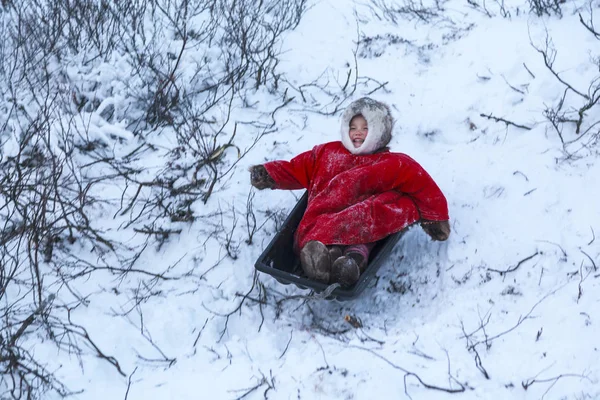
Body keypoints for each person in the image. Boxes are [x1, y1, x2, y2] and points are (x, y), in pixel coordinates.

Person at [250, 97, 450, 287]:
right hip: (323, 221)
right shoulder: (328, 153)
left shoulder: (393, 163)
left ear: (379, 133)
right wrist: (270, 174)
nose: (357, 133)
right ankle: (321, 260)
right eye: (352, 127)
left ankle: (349, 266)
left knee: (375, 217)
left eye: (365, 128)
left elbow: (422, 185)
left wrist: (434, 219)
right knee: (319, 238)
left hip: (361, 223)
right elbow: (297, 168)